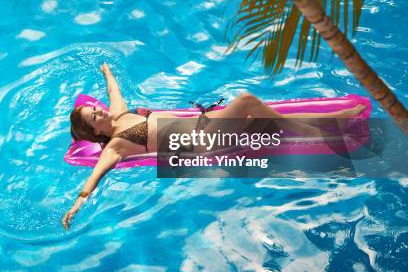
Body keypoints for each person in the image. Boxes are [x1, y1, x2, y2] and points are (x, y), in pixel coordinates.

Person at [62, 63, 366, 229]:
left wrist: (106, 72)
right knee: (247, 101)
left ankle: (330, 122)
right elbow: (95, 176)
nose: (100, 110)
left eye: (97, 108)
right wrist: (78, 204)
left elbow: (114, 93)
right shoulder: (115, 146)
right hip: (204, 140)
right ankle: (326, 128)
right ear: (94, 131)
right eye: (95, 115)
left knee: (266, 119)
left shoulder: (119, 115)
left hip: (205, 123)